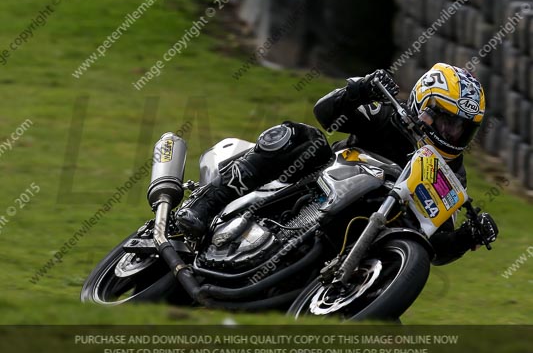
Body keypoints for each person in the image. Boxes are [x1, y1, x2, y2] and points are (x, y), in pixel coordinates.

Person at [177, 63, 498, 264]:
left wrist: (466, 238)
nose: (450, 133)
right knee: (305, 138)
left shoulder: (452, 174)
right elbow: (326, 114)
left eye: (461, 128)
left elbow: (432, 242)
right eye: (445, 120)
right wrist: (359, 91)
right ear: (423, 104)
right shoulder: (389, 115)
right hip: (319, 184)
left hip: (363, 240)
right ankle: (208, 202)